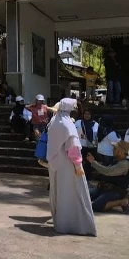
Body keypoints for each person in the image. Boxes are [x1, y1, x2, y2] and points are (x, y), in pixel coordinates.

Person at [46, 98, 97, 236]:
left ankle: (60, 223)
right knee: (74, 193)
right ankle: (75, 225)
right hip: (68, 165)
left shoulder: (53, 122)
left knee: (59, 193)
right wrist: (78, 165)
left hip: (55, 164)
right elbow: (73, 148)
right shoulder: (68, 126)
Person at [86, 141, 129, 214]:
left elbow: (108, 172)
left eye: (115, 148)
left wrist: (93, 162)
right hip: (105, 189)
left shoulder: (125, 164)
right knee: (84, 194)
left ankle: (121, 202)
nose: (113, 150)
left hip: (116, 191)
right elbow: (105, 171)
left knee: (96, 206)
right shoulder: (116, 160)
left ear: (121, 152)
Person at [75, 109, 99, 180]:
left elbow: (97, 135)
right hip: (80, 146)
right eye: (85, 114)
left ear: (91, 115)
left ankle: (88, 178)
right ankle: (79, 177)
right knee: (80, 162)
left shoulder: (96, 124)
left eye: (88, 114)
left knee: (89, 164)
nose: (87, 115)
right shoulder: (78, 122)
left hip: (91, 147)